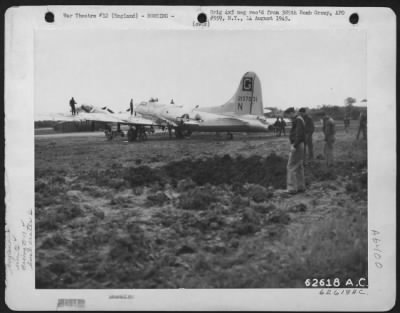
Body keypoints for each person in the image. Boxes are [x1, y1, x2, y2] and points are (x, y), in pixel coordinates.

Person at [284, 107, 306, 194]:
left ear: (292, 113)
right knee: (299, 166)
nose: (289, 117)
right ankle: (301, 187)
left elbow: (299, 134)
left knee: (291, 166)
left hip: (297, 145)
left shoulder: (298, 120)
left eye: (288, 115)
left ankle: (292, 188)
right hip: (300, 145)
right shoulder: (299, 119)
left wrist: (294, 145)